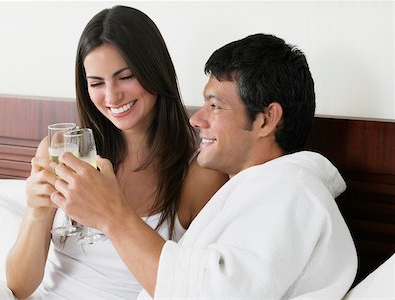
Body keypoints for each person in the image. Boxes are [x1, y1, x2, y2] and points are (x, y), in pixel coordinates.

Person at [50, 33, 358, 299]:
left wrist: (112, 216)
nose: (197, 119)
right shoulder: (256, 191)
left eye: (215, 105)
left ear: (266, 119)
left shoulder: (293, 192)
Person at [5, 6, 228, 300]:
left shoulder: (198, 176)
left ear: (154, 71)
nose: (111, 97)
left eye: (125, 77)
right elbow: (19, 287)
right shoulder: (62, 153)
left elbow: (195, 290)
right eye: (96, 83)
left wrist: (111, 213)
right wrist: (36, 212)